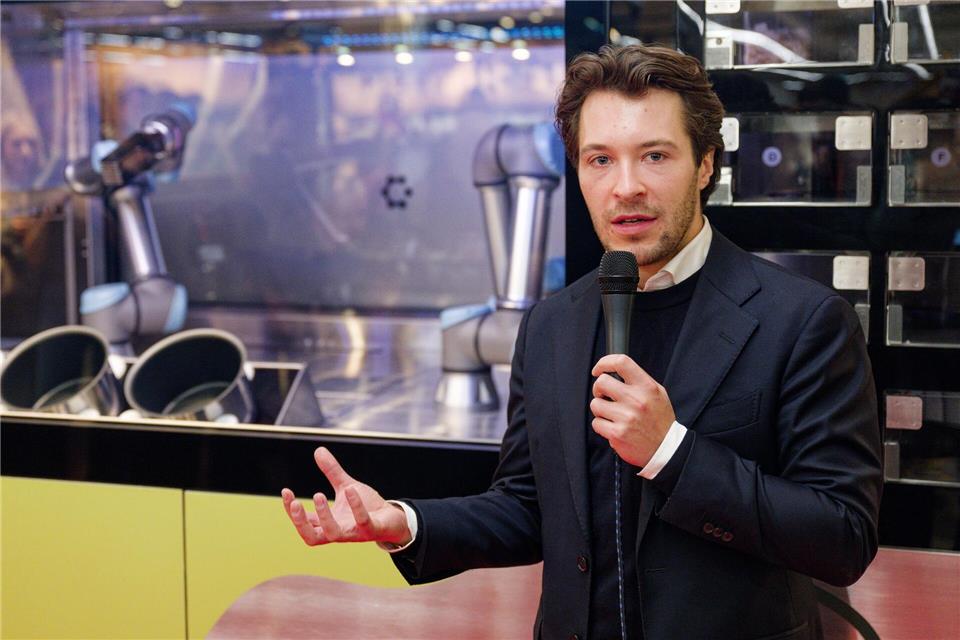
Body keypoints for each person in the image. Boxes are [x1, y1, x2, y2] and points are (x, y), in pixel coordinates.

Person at [281, 44, 882, 640]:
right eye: (600, 160)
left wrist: (672, 452)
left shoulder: (803, 322)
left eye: (654, 156)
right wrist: (405, 523)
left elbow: (842, 538)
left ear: (704, 164)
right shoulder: (550, 326)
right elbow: (527, 507)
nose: (626, 187)